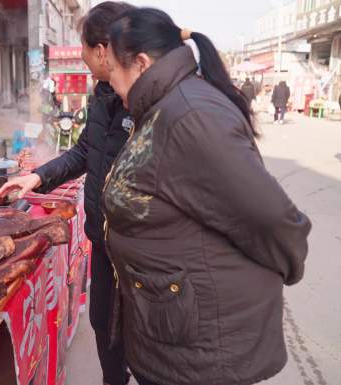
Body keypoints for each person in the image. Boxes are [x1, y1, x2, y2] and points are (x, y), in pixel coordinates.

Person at [100, 8, 311, 385]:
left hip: (203, 345)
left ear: (141, 63)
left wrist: (286, 266)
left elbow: (272, 217)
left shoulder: (190, 115)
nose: (110, 83)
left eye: (112, 70)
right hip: (175, 325)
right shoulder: (162, 107)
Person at [0, 3, 135, 384]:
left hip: (138, 252)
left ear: (103, 50)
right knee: (104, 329)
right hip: (104, 241)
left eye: (84, 48)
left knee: (142, 344)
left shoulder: (147, 100)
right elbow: (84, 151)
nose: (82, 57)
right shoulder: (104, 94)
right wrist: (37, 178)